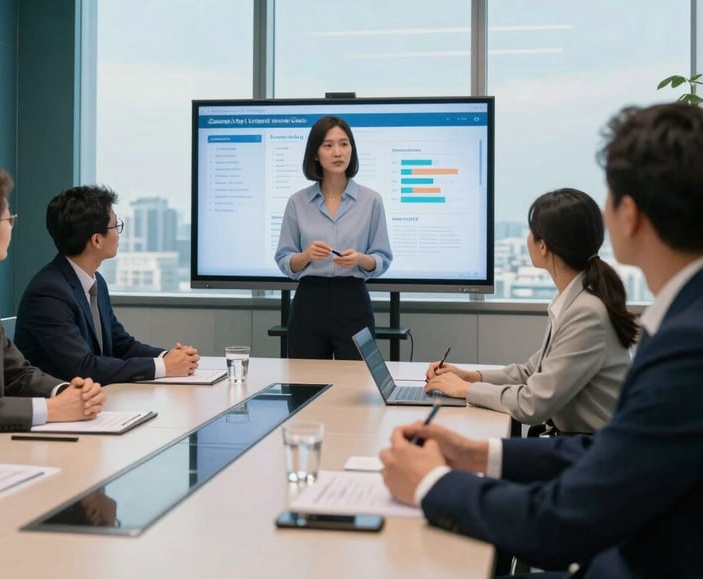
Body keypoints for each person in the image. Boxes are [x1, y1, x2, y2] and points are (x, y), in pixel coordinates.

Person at [380, 103, 703, 578]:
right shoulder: (679, 318)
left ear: (628, 214)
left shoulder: (685, 344)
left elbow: (560, 522)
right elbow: (610, 447)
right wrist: (477, 452)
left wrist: (431, 484)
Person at [424, 188, 636, 434]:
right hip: (577, 440)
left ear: (544, 246)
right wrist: (469, 376)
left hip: (590, 449)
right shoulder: (575, 299)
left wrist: (465, 390)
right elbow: (530, 372)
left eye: (531, 231)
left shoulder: (586, 313)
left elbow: (533, 404)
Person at [0, 166, 106, 443]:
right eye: (9, 219)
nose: (12, 226)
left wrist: (66, 392)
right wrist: (48, 410)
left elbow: (16, 373)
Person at [15, 186, 200, 385]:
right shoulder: (49, 294)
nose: (118, 234)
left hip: (96, 399)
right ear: (96, 240)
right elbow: (83, 368)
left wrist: (168, 357)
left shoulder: (95, 281)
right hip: (62, 408)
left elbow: (121, 344)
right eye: (115, 226)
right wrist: (164, 367)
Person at [275, 115, 393, 359]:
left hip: (353, 300)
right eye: (328, 145)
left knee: (356, 386)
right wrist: (306, 255)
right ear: (316, 154)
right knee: (304, 383)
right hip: (309, 300)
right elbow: (285, 260)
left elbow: (382, 258)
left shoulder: (371, 201)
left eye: (344, 144)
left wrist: (360, 259)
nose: (338, 152)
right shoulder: (297, 202)